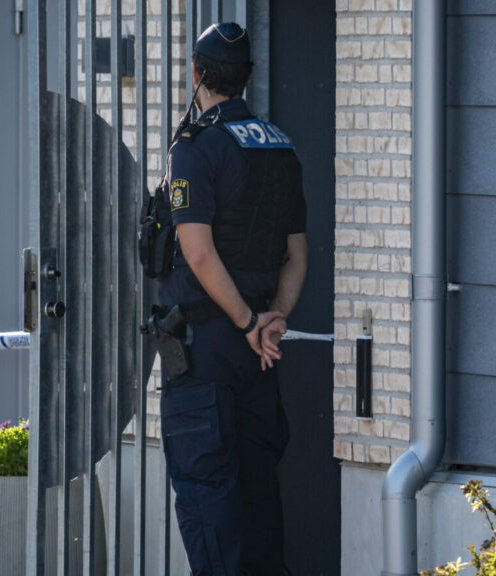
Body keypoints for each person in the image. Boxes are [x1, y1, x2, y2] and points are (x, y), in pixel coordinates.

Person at [153, 22, 307, 576]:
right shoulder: (279, 146)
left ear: (197, 75)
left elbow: (197, 253)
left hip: (209, 350)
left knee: (209, 504)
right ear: (246, 78)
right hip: (257, 356)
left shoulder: (195, 147)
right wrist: (273, 322)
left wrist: (246, 322)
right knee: (258, 500)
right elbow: (297, 256)